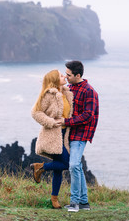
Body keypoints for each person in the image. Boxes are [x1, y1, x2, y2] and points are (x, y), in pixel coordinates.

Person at [30, 69, 74, 209]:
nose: (64, 76)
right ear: (55, 80)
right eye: (61, 76)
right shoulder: (48, 95)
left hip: (64, 136)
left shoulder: (67, 93)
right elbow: (35, 112)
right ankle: (41, 167)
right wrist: (51, 122)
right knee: (67, 164)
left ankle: (54, 199)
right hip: (52, 136)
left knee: (58, 169)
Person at [62, 60, 99, 212]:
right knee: (76, 167)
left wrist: (67, 122)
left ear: (78, 75)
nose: (66, 77)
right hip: (70, 133)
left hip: (81, 133)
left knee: (74, 165)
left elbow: (87, 115)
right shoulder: (70, 88)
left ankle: (75, 202)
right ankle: (84, 203)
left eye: (68, 75)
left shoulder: (89, 91)